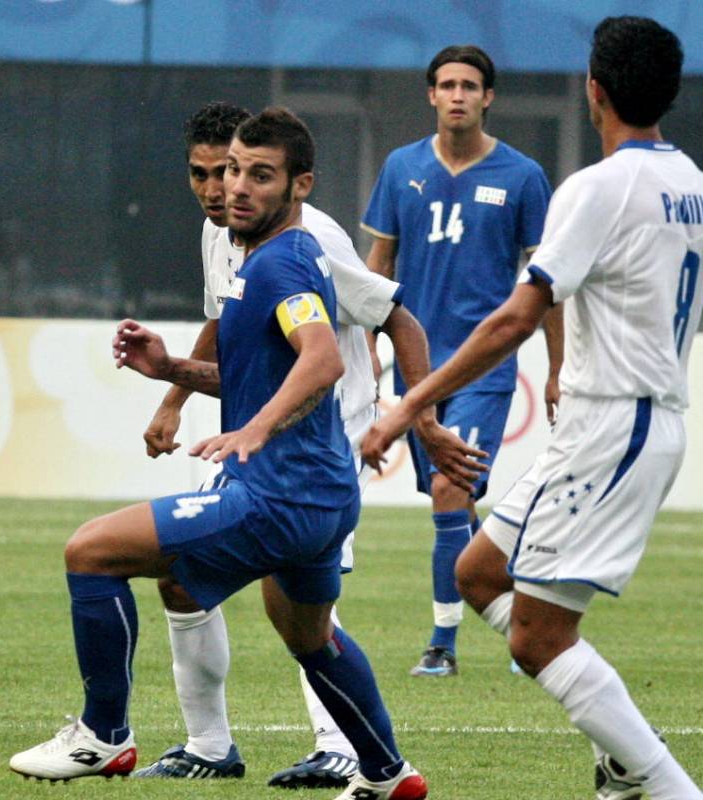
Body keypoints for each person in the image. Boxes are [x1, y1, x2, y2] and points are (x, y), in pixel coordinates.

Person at [10, 107, 430, 800]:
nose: (235, 187)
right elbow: (260, 370)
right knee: (310, 637)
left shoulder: (285, 262)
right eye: (231, 169)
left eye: (259, 176)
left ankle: (103, 736)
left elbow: (322, 361)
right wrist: (173, 369)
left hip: (278, 495)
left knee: (91, 552)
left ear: (300, 187)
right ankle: (388, 775)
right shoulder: (264, 260)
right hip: (322, 497)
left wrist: (257, 429)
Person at [362, 16, 703, 800]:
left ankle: (666, 785)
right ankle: (623, 757)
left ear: (594, 91)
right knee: (479, 571)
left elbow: (517, 314)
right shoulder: (686, 179)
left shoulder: (599, 185)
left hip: (616, 423)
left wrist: (406, 403)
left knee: (538, 637)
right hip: (615, 419)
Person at [126, 101, 482, 789]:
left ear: (288, 179)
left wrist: (421, 417)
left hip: (320, 441)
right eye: (205, 174)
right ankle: (211, 745)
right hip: (255, 441)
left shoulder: (309, 240)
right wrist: (172, 395)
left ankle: (344, 750)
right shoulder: (227, 228)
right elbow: (223, 324)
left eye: (231, 172)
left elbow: (396, 317)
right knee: (186, 577)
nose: (217, 188)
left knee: (297, 604)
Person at [361, 44, 559, 677]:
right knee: (450, 503)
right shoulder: (401, 168)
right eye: (446, 84)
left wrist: (558, 368)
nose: (457, 95)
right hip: (417, 367)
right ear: (431, 95)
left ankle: (441, 645)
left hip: (483, 368)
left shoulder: (523, 177)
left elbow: (546, 282)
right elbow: (379, 266)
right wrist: (363, 341)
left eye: (469, 86)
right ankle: (519, 595)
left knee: (452, 487)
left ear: (487, 97)